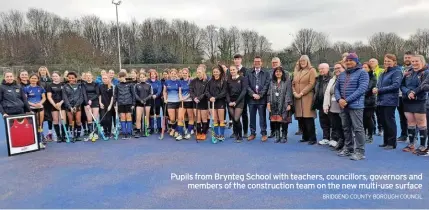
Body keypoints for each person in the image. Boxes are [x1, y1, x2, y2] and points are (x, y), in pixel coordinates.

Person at [335, 53, 369, 160]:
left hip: (356, 105)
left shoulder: (362, 73)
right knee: (346, 128)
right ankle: (349, 148)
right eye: (347, 60)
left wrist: (346, 100)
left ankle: (360, 152)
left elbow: (361, 89)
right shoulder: (342, 74)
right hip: (343, 106)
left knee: (358, 129)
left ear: (356, 61)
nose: (348, 62)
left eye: (351, 60)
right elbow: (336, 88)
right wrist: (339, 99)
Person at [401, 55, 429, 155]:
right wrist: (408, 92)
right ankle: (411, 144)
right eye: (412, 61)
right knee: (410, 122)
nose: (414, 63)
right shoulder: (408, 72)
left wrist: (414, 93)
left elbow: (424, 85)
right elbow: (402, 85)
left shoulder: (426, 72)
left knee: (421, 123)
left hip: (420, 100)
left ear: (422, 61)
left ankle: (422, 146)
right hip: (408, 100)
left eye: (416, 61)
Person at [373, 54, 402, 150]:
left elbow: (395, 86)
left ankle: (392, 143)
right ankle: (386, 141)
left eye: (389, 61)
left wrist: (380, 90)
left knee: (390, 121)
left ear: (394, 62)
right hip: (381, 100)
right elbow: (379, 84)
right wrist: (376, 88)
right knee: (384, 122)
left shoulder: (397, 72)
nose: (386, 63)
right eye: (385, 61)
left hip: (390, 100)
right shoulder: (383, 73)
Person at [292, 55, 317, 145]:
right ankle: (305, 137)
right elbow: (293, 84)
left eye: (304, 61)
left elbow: (311, 84)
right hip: (297, 98)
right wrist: (295, 93)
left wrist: (302, 93)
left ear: (307, 61)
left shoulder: (312, 70)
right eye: (301, 61)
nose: (302, 62)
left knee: (308, 118)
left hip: (307, 97)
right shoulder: (297, 71)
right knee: (301, 118)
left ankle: (312, 138)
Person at [246, 56, 270, 142]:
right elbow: (247, 85)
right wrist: (253, 94)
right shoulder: (249, 72)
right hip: (251, 99)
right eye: (255, 61)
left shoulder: (266, 73)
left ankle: (264, 134)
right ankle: (252, 133)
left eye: (259, 61)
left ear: (261, 62)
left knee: (262, 117)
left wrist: (260, 94)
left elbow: (267, 85)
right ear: (253, 62)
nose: (257, 63)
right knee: (252, 117)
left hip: (262, 99)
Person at [323, 62, 346, 151]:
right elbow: (327, 93)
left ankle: (346, 143)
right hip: (333, 106)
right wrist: (326, 105)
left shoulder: (346, 78)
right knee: (336, 125)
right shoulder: (333, 79)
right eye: (335, 68)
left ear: (344, 68)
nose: (337, 70)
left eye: (339, 68)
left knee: (344, 125)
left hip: (342, 105)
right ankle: (340, 140)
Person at [267, 66, 292, 143]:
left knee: (284, 120)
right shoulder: (272, 82)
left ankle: (284, 136)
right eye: (276, 72)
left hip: (284, 104)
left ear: (282, 73)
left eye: (280, 72)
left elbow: (289, 93)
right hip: (273, 104)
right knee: (276, 120)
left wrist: (289, 104)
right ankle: (277, 136)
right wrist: (268, 103)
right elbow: (268, 93)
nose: (278, 73)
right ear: (274, 73)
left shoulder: (287, 81)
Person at [23, 74, 47, 149]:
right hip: (31, 108)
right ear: (29, 79)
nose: (33, 80)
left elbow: (44, 98)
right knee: (31, 124)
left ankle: (40, 139)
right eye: (32, 78)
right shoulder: (26, 88)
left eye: (35, 78)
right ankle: (32, 140)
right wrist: (33, 104)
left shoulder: (40, 88)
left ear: (37, 79)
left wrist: (40, 103)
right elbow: (25, 99)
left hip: (39, 107)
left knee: (40, 124)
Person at [226, 65, 248, 143]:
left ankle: (240, 136)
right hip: (230, 102)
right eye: (231, 70)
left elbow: (244, 91)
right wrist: (229, 102)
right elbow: (227, 92)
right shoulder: (228, 79)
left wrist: (236, 102)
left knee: (236, 118)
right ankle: (235, 133)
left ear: (237, 70)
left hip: (239, 101)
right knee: (234, 119)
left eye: (233, 69)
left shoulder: (243, 79)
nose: (232, 71)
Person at [62, 72, 86, 142]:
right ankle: (73, 135)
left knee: (78, 121)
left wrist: (76, 106)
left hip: (77, 106)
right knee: (70, 122)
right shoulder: (65, 86)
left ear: (76, 78)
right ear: (67, 78)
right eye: (69, 78)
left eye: (73, 78)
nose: (71, 79)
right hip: (69, 107)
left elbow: (81, 97)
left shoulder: (79, 86)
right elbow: (65, 98)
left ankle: (78, 136)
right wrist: (70, 107)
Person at [206, 66, 227, 141]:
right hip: (212, 102)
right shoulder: (210, 81)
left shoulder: (223, 81)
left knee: (221, 120)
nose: (215, 73)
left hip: (220, 102)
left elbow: (224, 92)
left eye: (217, 72)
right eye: (214, 72)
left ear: (220, 72)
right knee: (215, 119)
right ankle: (216, 134)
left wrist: (216, 97)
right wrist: (210, 97)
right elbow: (207, 91)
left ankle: (221, 135)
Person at [313, 63, 332, 145]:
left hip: (329, 103)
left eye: (323, 68)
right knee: (323, 122)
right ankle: (326, 137)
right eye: (320, 69)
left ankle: (333, 138)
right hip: (320, 104)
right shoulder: (317, 79)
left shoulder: (332, 79)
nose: (321, 70)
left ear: (328, 69)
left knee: (332, 121)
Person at [114, 71, 135, 139]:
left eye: (121, 77)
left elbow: (133, 94)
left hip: (129, 103)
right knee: (122, 117)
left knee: (128, 117)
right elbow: (115, 95)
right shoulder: (117, 85)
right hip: (120, 103)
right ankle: (124, 132)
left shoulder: (130, 84)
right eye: (119, 77)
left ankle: (129, 131)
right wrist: (115, 104)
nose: (120, 78)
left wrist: (133, 103)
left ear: (124, 77)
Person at [47, 72, 67, 143]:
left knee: (63, 120)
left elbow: (66, 96)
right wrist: (55, 104)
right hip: (54, 105)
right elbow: (49, 96)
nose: (55, 77)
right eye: (53, 76)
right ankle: (58, 136)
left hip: (62, 104)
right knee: (55, 120)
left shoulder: (63, 85)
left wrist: (61, 103)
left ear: (59, 77)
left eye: (56, 76)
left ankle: (64, 136)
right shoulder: (50, 85)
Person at [397, 52, 413, 142]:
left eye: (409, 57)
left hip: (409, 96)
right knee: (402, 117)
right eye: (406, 57)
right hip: (399, 96)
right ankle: (404, 135)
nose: (407, 59)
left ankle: (413, 136)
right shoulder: (400, 69)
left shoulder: (415, 69)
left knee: (411, 118)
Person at [190, 67, 209, 141]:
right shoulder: (193, 81)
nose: (198, 74)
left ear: (203, 72)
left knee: (204, 119)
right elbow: (191, 91)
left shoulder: (206, 81)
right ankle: (198, 133)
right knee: (197, 119)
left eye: (200, 72)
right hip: (195, 102)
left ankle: (203, 133)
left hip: (203, 102)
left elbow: (206, 92)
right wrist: (194, 98)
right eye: (197, 72)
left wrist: (199, 98)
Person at [233, 54, 248, 138]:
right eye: (235, 59)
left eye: (238, 59)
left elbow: (246, 83)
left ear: (241, 60)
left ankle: (245, 132)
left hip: (243, 97)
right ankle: (235, 131)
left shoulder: (245, 70)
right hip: (233, 97)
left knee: (244, 114)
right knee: (234, 115)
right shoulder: (230, 70)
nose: (237, 60)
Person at [163, 69, 181, 139]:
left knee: (177, 118)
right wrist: (165, 99)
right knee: (172, 119)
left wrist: (180, 98)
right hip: (170, 102)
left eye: (174, 73)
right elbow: (164, 91)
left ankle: (175, 130)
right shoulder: (167, 82)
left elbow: (179, 92)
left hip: (177, 102)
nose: (173, 75)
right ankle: (173, 128)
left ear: (176, 74)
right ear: (170, 74)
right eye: (172, 73)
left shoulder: (178, 82)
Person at [177, 68, 194, 140]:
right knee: (180, 117)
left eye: (185, 73)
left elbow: (191, 92)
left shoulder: (191, 81)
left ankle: (189, 133)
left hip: (189, 101)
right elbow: (180, 91)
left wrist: (185, 98)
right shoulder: (180, 82)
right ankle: (180, 134)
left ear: (188, 74)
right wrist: (181, 97)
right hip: (182, 102)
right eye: (183, 73)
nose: (184, 74)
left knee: (191, 117)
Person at [362, 62, 377, 144]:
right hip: (361, 101)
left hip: (370, 101)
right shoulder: (360, 77)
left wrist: (359, 94)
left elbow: (369, 89)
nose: (363, 69)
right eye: (362, 67)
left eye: (365, 67)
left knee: (368, 118)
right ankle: (363, 134)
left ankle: (370, 135)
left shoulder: (373, 77)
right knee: (362, 119)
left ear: (369, 69)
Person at [134, 72, 152, 138]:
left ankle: (146, 130)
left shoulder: (149, 85)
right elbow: (135, 94)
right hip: (139, 104)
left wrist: (145, 100)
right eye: (141, 77)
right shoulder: (136, 85)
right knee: (138, 118)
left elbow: (150, 94)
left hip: (147, 103)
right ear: (139, 78)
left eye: (143, 77)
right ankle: (138, 131)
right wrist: (140, 100)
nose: (142, 78)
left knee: (146, 117)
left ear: (146, 77)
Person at [82, 71, 100, 140]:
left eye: (89, 75)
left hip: (95, 102)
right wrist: (87, 103)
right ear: (85, 77)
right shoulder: (83, 84)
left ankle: (95, 134)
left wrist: (91, 100)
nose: (88, 77)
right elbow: (84, 94)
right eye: (87, 76)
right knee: (89, 119)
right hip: (87, 104)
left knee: (95, 118)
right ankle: (91, 134)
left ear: (92, 76)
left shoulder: (96, 84)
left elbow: (97, 93)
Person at [38, 66, 54, 141]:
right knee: (41, 118)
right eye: (41, 70)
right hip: (41, 101)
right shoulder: (37, 80)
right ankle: (41, 134)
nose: (42, 71)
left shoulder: (50, 79)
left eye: (44, 70)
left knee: (50, 118)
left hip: (49, 101)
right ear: (39, 72)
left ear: (46, 71)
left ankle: (50, 133)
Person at [369, 58, 384, 136]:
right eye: (370, 61)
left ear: (377, 63)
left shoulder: (382, 71)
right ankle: (372, 129)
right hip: (370, 96)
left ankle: (380, 129)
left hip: (379, 96)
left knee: (379, 114)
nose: (371, 62)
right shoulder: (367, 71)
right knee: (370, 114)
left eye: (373, 61)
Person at [268, 57, 282, 138]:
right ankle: (272, 131)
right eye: (273, 62)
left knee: (280, 115)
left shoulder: (285, 73)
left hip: (281, 98)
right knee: (272, 115)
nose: (274, 64)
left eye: (276, 62)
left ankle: (279, 132)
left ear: (279, 63)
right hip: (272, 97)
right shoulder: (269, 73)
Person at [147, 69, 163, 134]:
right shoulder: (148, 82)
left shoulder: (159, 82)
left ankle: (159, 127)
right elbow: (147, 90)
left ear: (156, 75)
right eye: (151, 74)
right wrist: (151, 95)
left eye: (154, 74)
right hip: (150, 100)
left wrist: (156, 95)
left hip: (157, 99)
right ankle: (152, 128)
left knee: (158, 114)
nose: (153, 75)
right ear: (150, 75)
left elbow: (160, 90)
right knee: (151, 114)